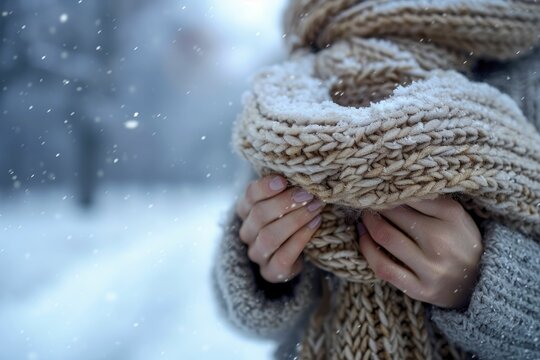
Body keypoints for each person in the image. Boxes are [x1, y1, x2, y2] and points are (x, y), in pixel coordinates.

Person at [212, 2, 540, 359]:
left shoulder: (528, 66)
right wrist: (261, 263)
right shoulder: (292, 74)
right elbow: (236, 308)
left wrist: (486, 285)